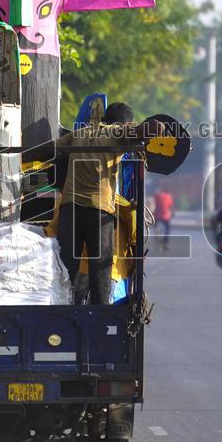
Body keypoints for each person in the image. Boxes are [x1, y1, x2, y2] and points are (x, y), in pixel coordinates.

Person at [55, 102, 152, 305]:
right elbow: (141, 133)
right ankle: (100, 315)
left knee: (66, 266)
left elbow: (53, 150)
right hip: (99, 212)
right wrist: (154, 129)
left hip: (69, 209)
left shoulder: (80, 133)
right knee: (101, 267)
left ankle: (62, 307)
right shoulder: (117, 133)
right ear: (126, 123)